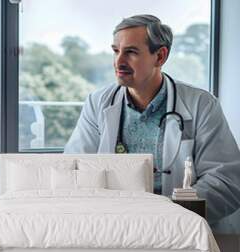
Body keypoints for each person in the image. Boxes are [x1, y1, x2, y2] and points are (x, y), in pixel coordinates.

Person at [65, 15, 240, 232]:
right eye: (115, 51)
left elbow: (226, 181)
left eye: (131, 52)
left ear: (160, 56)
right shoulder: (97, 104)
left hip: (179, 230)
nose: (119, 62)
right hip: (111, 228)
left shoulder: (201, 105)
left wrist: (169, 213)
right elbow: (74, 170)